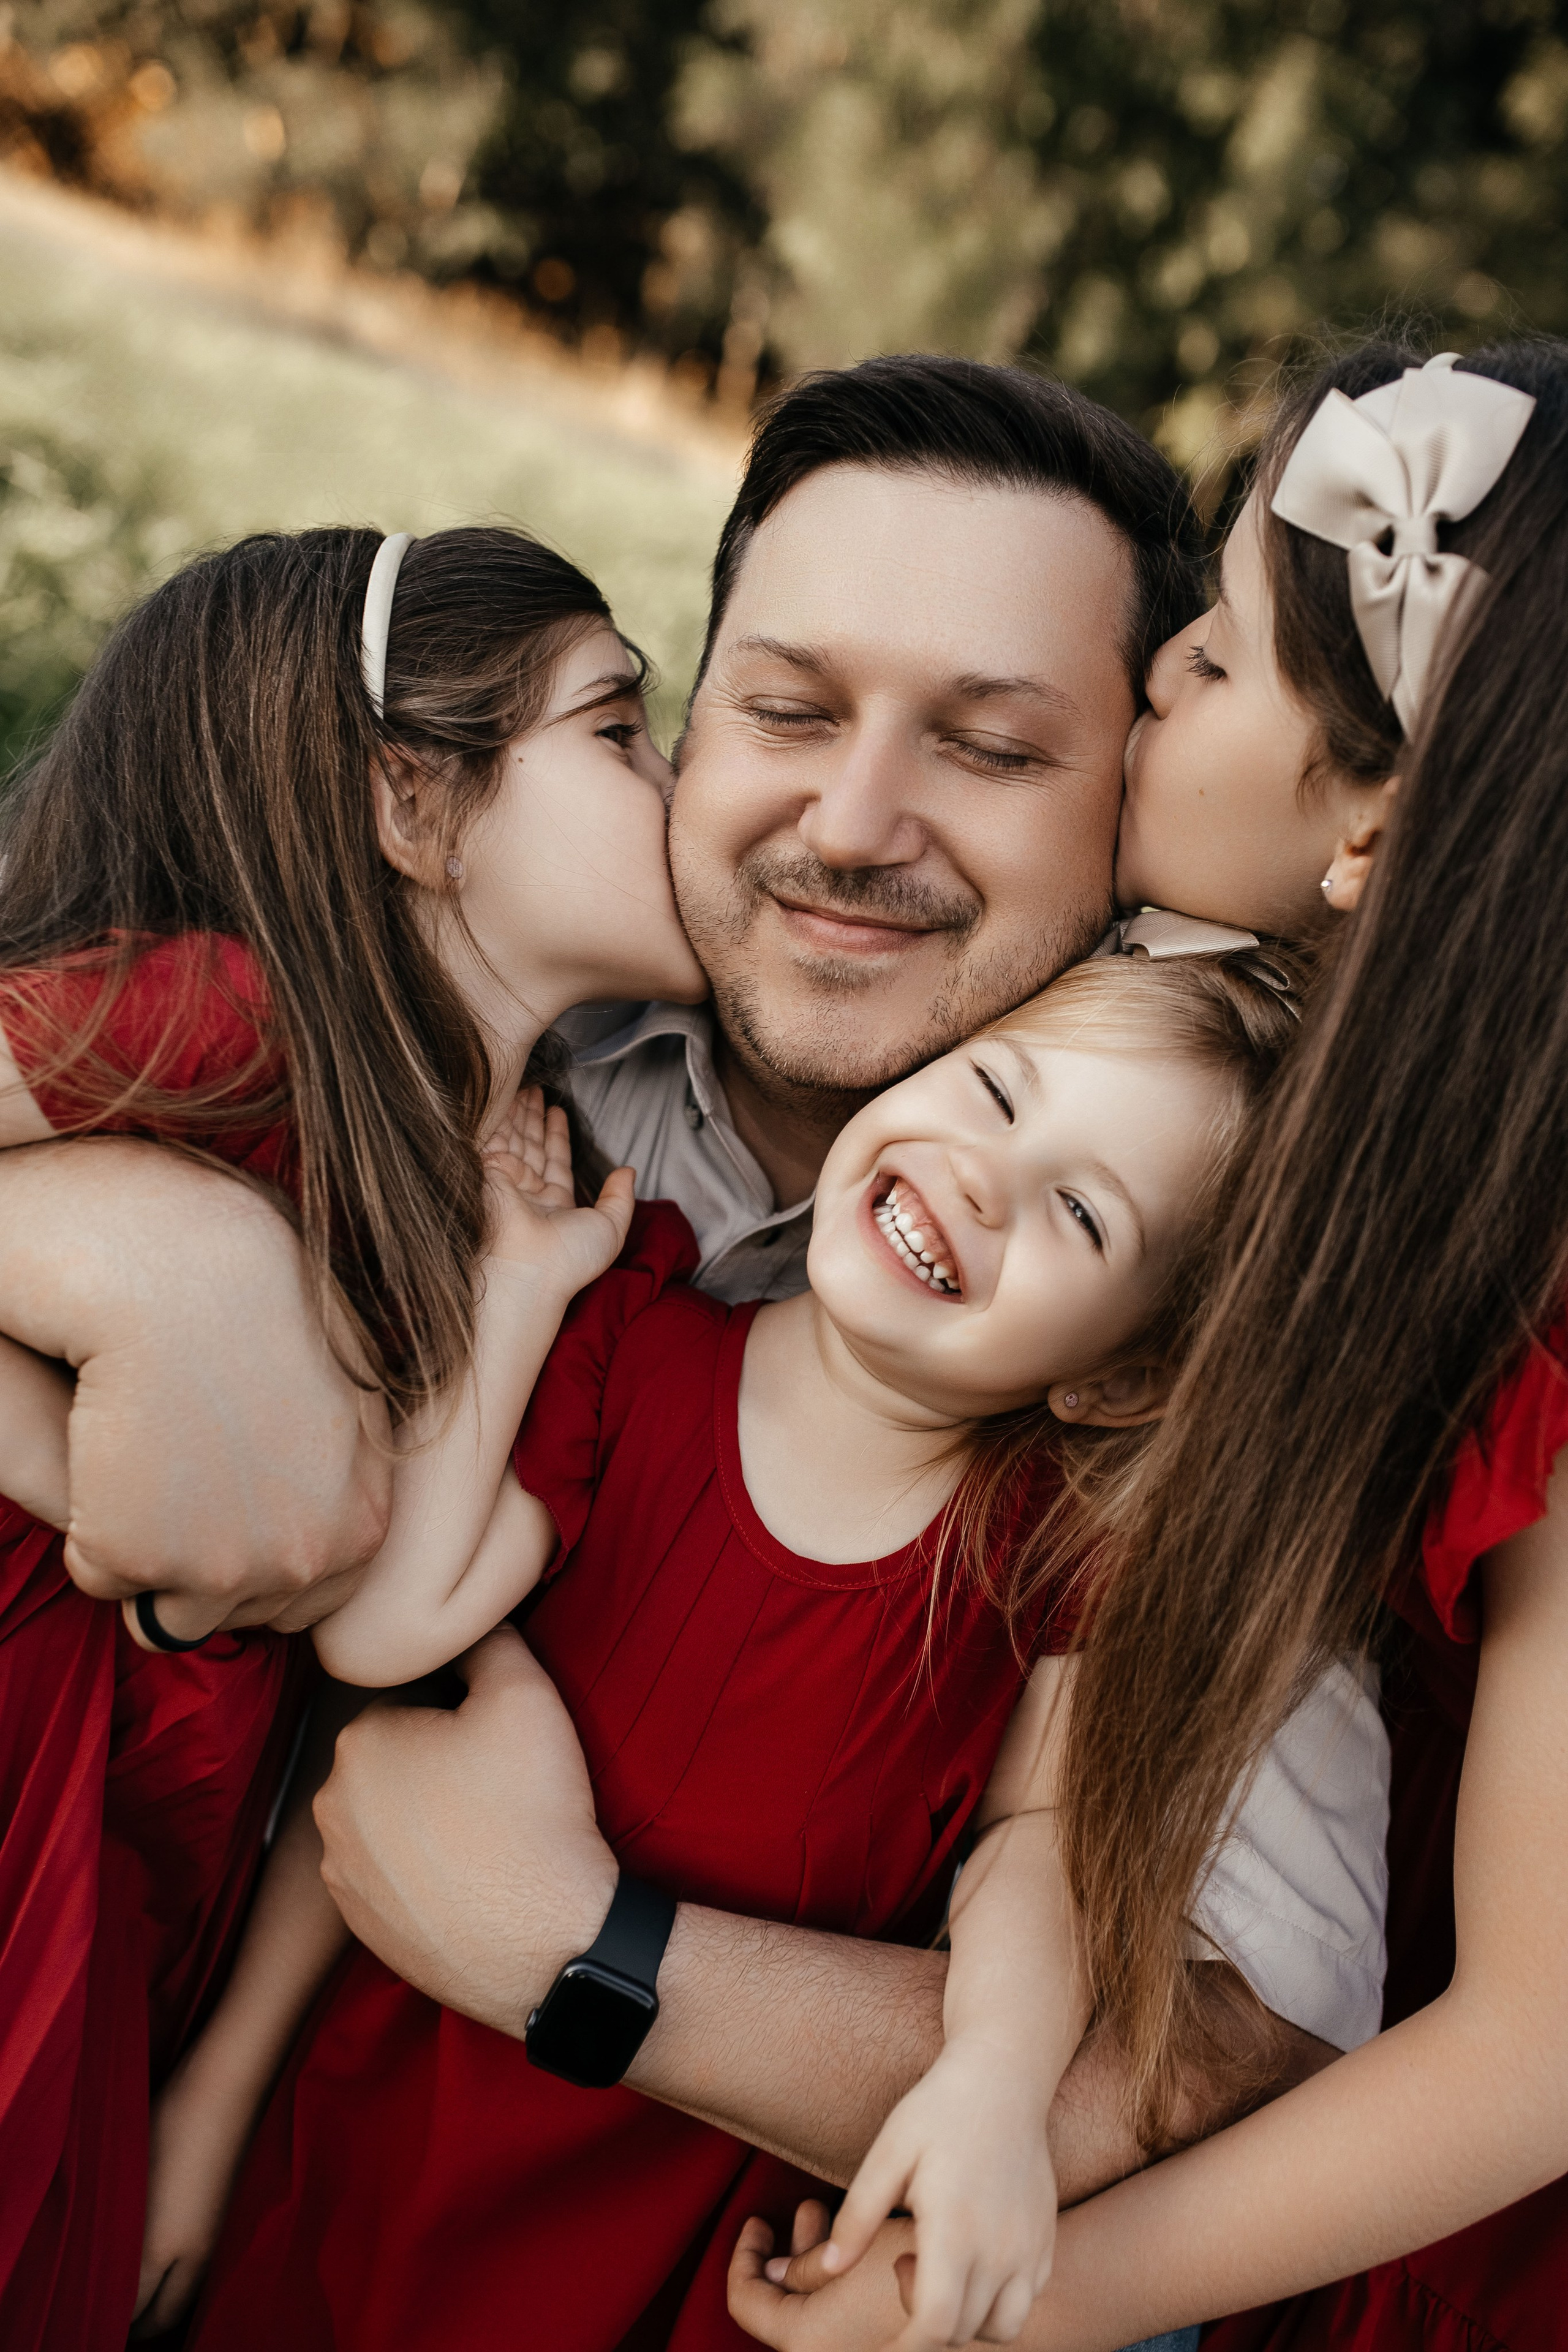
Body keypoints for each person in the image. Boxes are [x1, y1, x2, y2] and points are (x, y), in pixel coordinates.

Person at [291, 360, 1384, 2350]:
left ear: (1134, 802)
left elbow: (1210, 2056)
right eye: (787, 710)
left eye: (987, 747)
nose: (855, 821)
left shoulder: (1196, 1345)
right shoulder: (495, 1047)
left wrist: (589, 1955)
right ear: (686, 720)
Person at [728, 337, 1568, 2351]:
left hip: (1332, 2231)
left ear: (1378, 817)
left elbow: (1537, 2048)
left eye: (1232, 647)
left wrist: (1000, 2301)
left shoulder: (1537, 1315)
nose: (1168, 659)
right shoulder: (1202, 1036)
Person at [176, 934, 1341, 2352]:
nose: (983, 1171)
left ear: (1117, 1377)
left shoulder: (1048, 1553)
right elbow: (381, 1640)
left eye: (1080, 1216)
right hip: (379, 2162)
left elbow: (1038, 1850)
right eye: (992, 1090)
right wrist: (527, 1287)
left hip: (677, 2243)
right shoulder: (627, 1347)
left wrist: (991, 2079)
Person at [0, 519, 703, 2352]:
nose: (685, 785)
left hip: (146, 1866)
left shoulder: (567, 1218)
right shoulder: (228, 1020)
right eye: (621, 729)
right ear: (412, 802)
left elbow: (381, 1642)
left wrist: (217, 2097)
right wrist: (92, 1440)